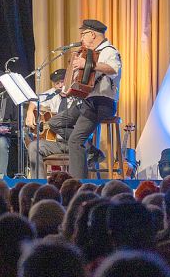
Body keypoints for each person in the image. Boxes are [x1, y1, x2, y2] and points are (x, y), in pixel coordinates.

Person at [48, 19, 122, 178]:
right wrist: (71, 87)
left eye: (83, 34)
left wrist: (88, 65)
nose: (81, 37)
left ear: (93, 34)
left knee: (75, 141)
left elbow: (113, 68)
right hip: (86, 102)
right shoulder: (87, 52)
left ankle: (77, 182)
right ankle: (91, 150)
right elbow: (84, 81)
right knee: (54, 122)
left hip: (102, 103)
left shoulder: (109, 51)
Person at [26, 68, 77, 172]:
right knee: (33, 146)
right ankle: (38, 184)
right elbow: (35, 100)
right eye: (56, 83)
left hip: (74, 142)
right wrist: (30, 112)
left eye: (62, 82)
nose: (60, 86)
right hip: (57, 143)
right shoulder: (53, 94)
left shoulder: (78, 96)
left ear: (70, 80)